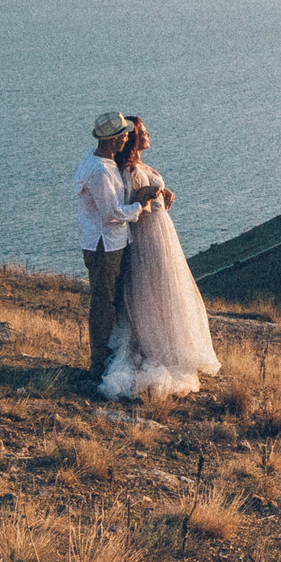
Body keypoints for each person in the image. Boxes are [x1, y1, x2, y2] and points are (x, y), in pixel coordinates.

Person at [99, 116, 222, 400]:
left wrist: (161, 193)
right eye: (143, 132)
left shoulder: (140, 166)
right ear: (133, 138)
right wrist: (148, 194)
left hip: (160, 231)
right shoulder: (129, 169)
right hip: (149, 235)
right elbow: (130, 201)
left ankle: (171, 344)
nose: (148, 134)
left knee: (168, 289)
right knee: (156, 288)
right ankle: (159, 348)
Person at [75, 111, 156, 381]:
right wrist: (141, 207)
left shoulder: (100, 161)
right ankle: (99, 363)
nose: (125, 140)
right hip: (104, 245)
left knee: (112, 301)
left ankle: (110, 358)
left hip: (112, 243)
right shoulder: (100, 171)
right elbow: (111, 215)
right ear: (111, 141)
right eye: (122, 136)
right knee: (103, 304)